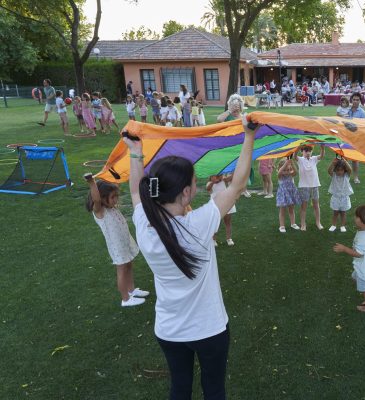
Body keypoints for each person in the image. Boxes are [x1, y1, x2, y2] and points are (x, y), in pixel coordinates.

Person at [123, 111, 256, 400]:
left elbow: (136, 192)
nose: (197, 185)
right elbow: (238, 185)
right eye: (195, 182)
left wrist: (135, 154)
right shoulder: (198, 223)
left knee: (179, 389)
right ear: (186, 193)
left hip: (169, 331)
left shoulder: (146, 223)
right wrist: (248, 136)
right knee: (214, 390)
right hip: (209, 329)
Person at [84, 174, 148, 307]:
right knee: (121, 269)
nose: (116, 199)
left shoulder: (111, 208)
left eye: (116, 196)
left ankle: (131, 291)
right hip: (117, 246)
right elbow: (96, 199)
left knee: (129, 265)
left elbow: (115, 184)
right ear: (102, 198)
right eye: (113, 197)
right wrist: (92, 182)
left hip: (124, 241)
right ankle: (125, 299)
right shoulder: (100, 211)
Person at [333, 205, 365, 313]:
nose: (355, 218)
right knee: (355, 278)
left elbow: (358, 254)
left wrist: (344, 249)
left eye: (357, 217)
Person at [217, 94, 252, 198]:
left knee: (243, 169)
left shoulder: (244, 117)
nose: (236, 109)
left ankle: (244, 189)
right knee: (230, 169)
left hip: (242, 146)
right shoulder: (228, 116)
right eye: (234, 106)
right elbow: (219, 119)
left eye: (237, 106)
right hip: (229, 146)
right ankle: (230, 189)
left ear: (241, 106)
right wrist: (229, 110)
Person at [295, 144, 326, 231]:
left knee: (316, 205)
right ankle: (303, 224)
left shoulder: (314, 159)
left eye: (309, 151)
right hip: (304, 186)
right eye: (306, 151)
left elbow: (322, 156)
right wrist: (298, 147)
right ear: (302, 151)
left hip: (315, 185)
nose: (308, 153)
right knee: (304, 206)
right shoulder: (300, 160)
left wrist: (322, 148)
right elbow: (294, 156)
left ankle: (318, 222)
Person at [206, 175, 236, 246]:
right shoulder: (209, 183)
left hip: (226, 202)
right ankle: (213, 240)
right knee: (216, 223)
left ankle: (229, 238)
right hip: (216, 205)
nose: (216, 178)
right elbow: (208, 188)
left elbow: (230, 178)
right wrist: (213, 182)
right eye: (214, 176)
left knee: (228, 222)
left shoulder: (223, 181)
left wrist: (233, 171)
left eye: (218, 176)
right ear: (211, 177)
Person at [276, 158, 302, 233]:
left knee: (291, 209)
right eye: (285, 170)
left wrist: (292, 163)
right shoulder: (280, 175)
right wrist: (285, 165)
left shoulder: (291, 174)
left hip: (291, 193)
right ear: (280, 168)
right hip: (283, 194)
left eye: (288, 170)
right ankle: (282, 226)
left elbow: (296, 172)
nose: (287, 172)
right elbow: (280, 172)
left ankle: (293, 223)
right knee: (282, 210)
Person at [327, 157, 353, 232]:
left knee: (343, 213)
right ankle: (333, 225)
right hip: (336, 197)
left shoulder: (346, 176)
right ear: (335, 170)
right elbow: (329, 171)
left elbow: (350, 170)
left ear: (344, 170)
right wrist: (332, 163)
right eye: (338, 170)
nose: (339, 172)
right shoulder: (334, 175)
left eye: (341, 170)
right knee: (335, 212)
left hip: (344, 197)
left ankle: (342, 226)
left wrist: (345, 162)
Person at [347, 92, 365, 184]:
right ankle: (345, 176)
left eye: (357, 100)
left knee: (355, 159)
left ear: (360, 101)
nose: (355, 101)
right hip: (346, 136)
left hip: (356, 138)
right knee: (344, 158)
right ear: (351, 100)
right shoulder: (347, 110)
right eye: (354, 99)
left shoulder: (362, 112)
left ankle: (355, 177)